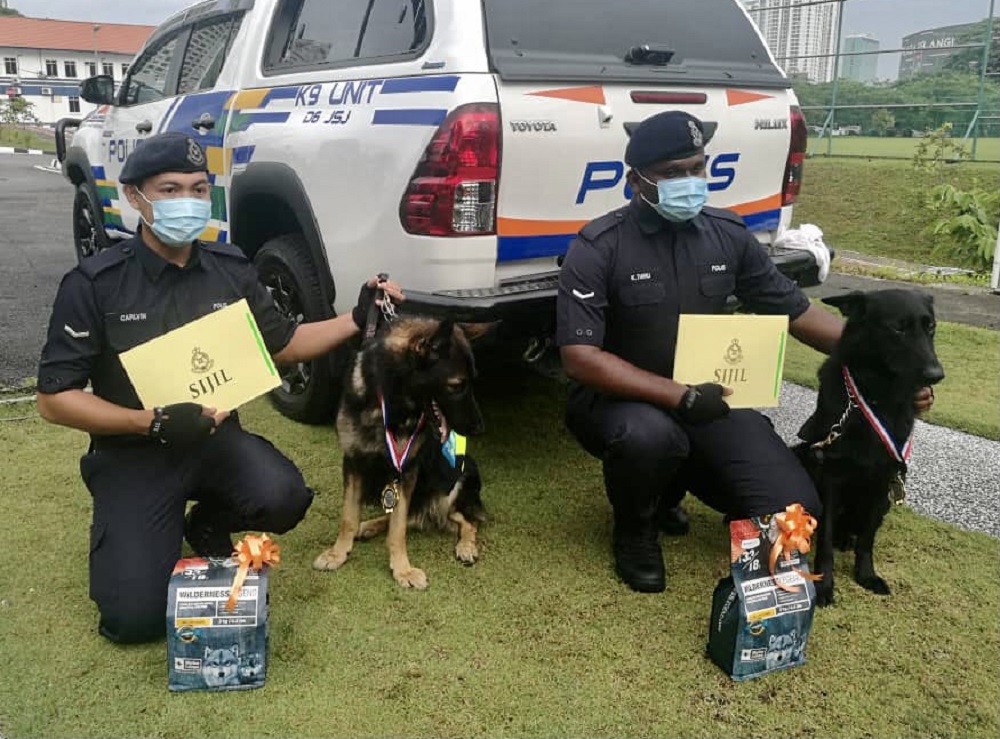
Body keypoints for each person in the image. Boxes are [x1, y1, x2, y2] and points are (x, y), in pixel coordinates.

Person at [36, 132, 404, 643]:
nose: (186, 201)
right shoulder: (95, 284)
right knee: (134, 621)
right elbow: (54, 399)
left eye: (197, 188)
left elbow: (283, 343)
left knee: (286, 497)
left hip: (214, 439)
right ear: (134, 197)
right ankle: (136, 535)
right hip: (134, 452)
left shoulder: (230, 268)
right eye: (169, 190)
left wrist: (355, 317)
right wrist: (151, 421)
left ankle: (207, 522)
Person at [555, 111, 934, 594]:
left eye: (697, 168)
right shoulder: (599, 246)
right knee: (649, 438)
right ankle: (637, 530)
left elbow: (795, 313)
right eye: (673, 173)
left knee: (796, 508)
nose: (689, 182)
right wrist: (680, 397)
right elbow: (580, 357)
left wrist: (887, 362)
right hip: (621, 404)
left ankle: (704, 515)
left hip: (711, 399)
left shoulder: (727, 235)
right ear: (636, 181)